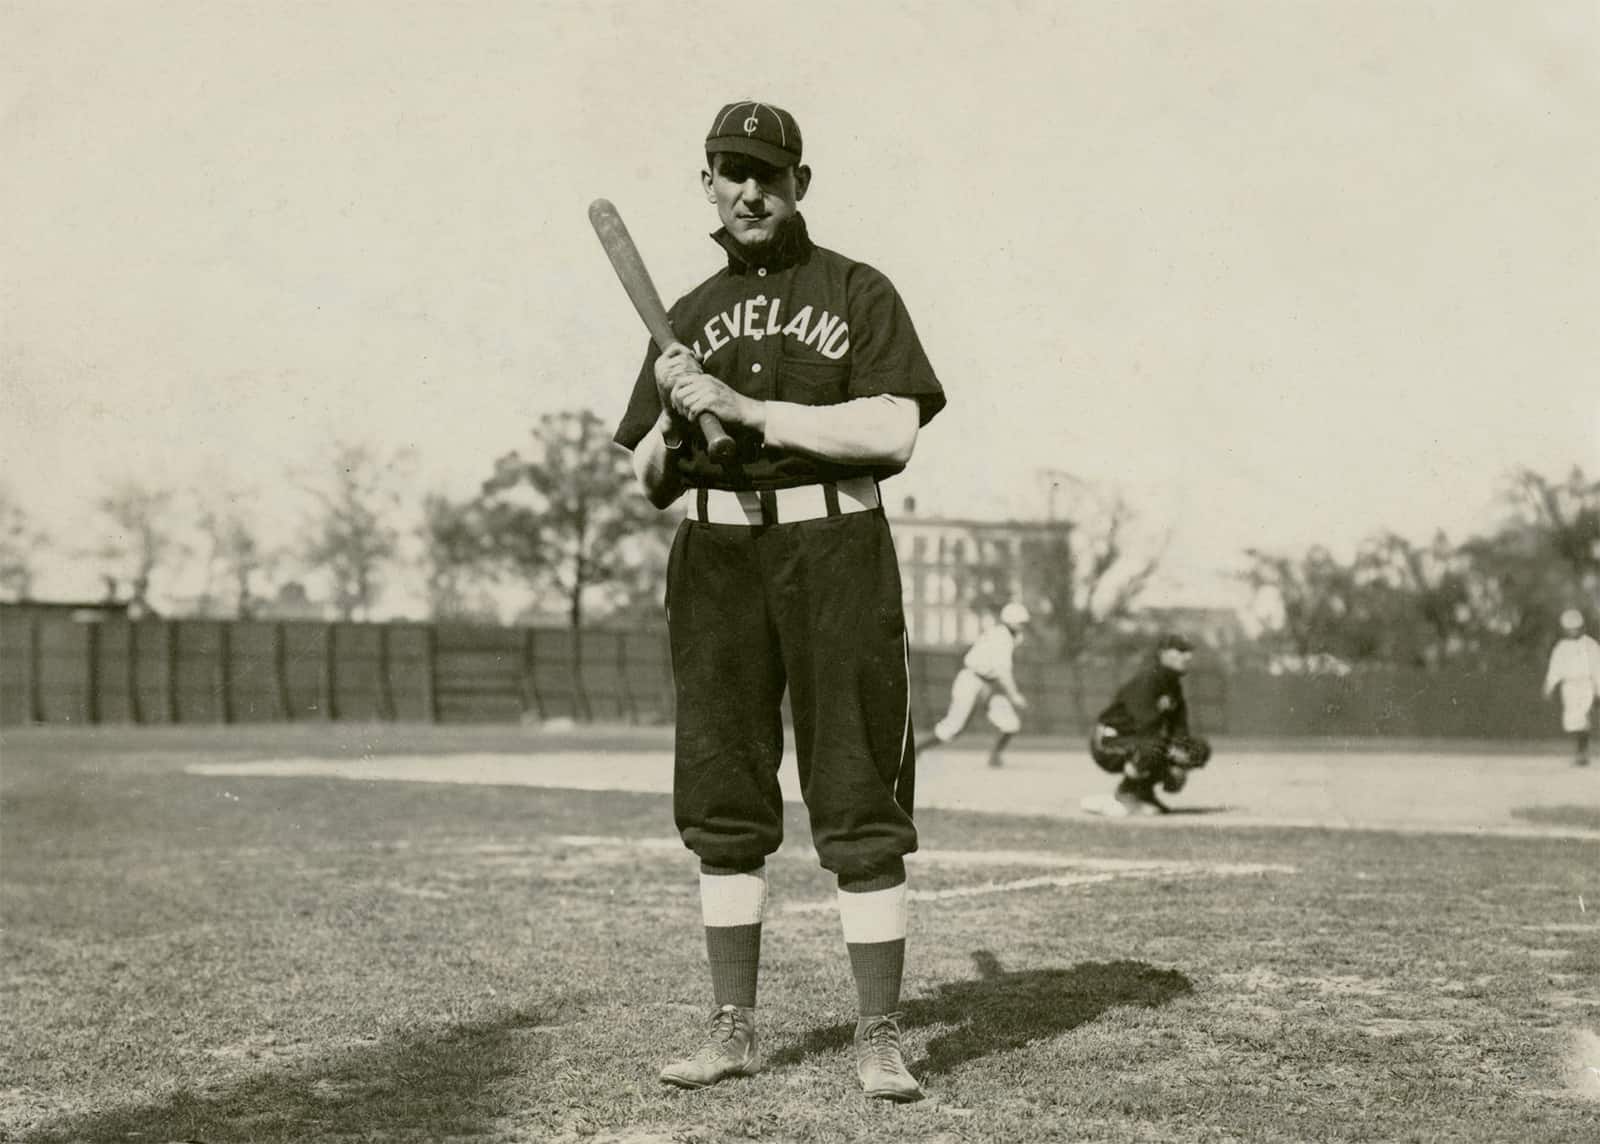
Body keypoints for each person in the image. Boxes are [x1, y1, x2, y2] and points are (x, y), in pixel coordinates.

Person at [612, 100, 945, 1102]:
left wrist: (750, 409)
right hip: (716, 554)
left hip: (833, 548)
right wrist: (676, 419)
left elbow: (892, 432)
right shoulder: (687, 314)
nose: (749, 191)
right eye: (731, 171)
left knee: (854, 783)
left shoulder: (856, 288)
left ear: (800, 182)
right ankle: (732, 1027)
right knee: (721, 791)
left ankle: (878, 1034)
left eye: (766, 173)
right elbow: (646, 479)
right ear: (706, 183)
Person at [1080, 633, 1212, 817]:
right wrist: (1169, 767)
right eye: (1181, 650)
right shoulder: (1147, 681)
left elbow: (1180, 730)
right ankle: (1125, 793)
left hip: (1140, 741)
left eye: (1189, 651)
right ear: (1162, 653)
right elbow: (1147, 727)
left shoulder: (1173, 686)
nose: (1188, 656)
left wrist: (1181, 764)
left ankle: (1144, 793)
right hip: (1109, 741)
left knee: (1198, 749)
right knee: (1153, 747)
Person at [916, 603, 1032, 768]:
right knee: (953, 727)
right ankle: (916, 750)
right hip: (971, 681)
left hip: (987, 684)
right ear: (1010, 621)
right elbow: (1003, 672)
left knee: (1010, 724)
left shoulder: (1008, 635)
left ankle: (994, 758)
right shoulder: (1002, 637)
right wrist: (1014, 696)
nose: (1023, 626)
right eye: (1020, 622)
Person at [1543, 609, 1600, 767]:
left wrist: (1598, 689)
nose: (1572, 631)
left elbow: (1597, 668)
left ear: (1581, 627)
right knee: (1572, 720)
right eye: (1569, 629)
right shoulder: (1561, 647)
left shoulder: (1590, 645)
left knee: (1582, 718)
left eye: (1575, 628)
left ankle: (1582, 753)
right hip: (1569, 686)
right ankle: (1580, 752)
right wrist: (1549, 685)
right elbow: (1555, 668)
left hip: (1586, 684)